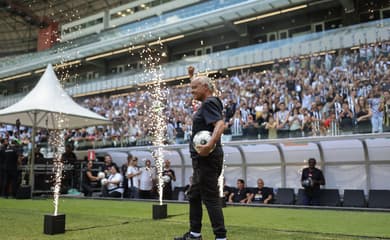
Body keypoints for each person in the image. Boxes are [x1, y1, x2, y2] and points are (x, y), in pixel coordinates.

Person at [174, 74, 227, 240]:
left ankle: (221, 237)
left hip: (207, 159)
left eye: (194, 88)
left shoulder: (210, 102)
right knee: (194, 195)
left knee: (210, 198)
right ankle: (195, 234)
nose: (192, 91)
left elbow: (219, 124)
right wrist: (192, 75)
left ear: (205, 87)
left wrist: (210, 144)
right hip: (204, 160)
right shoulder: (210, 102)